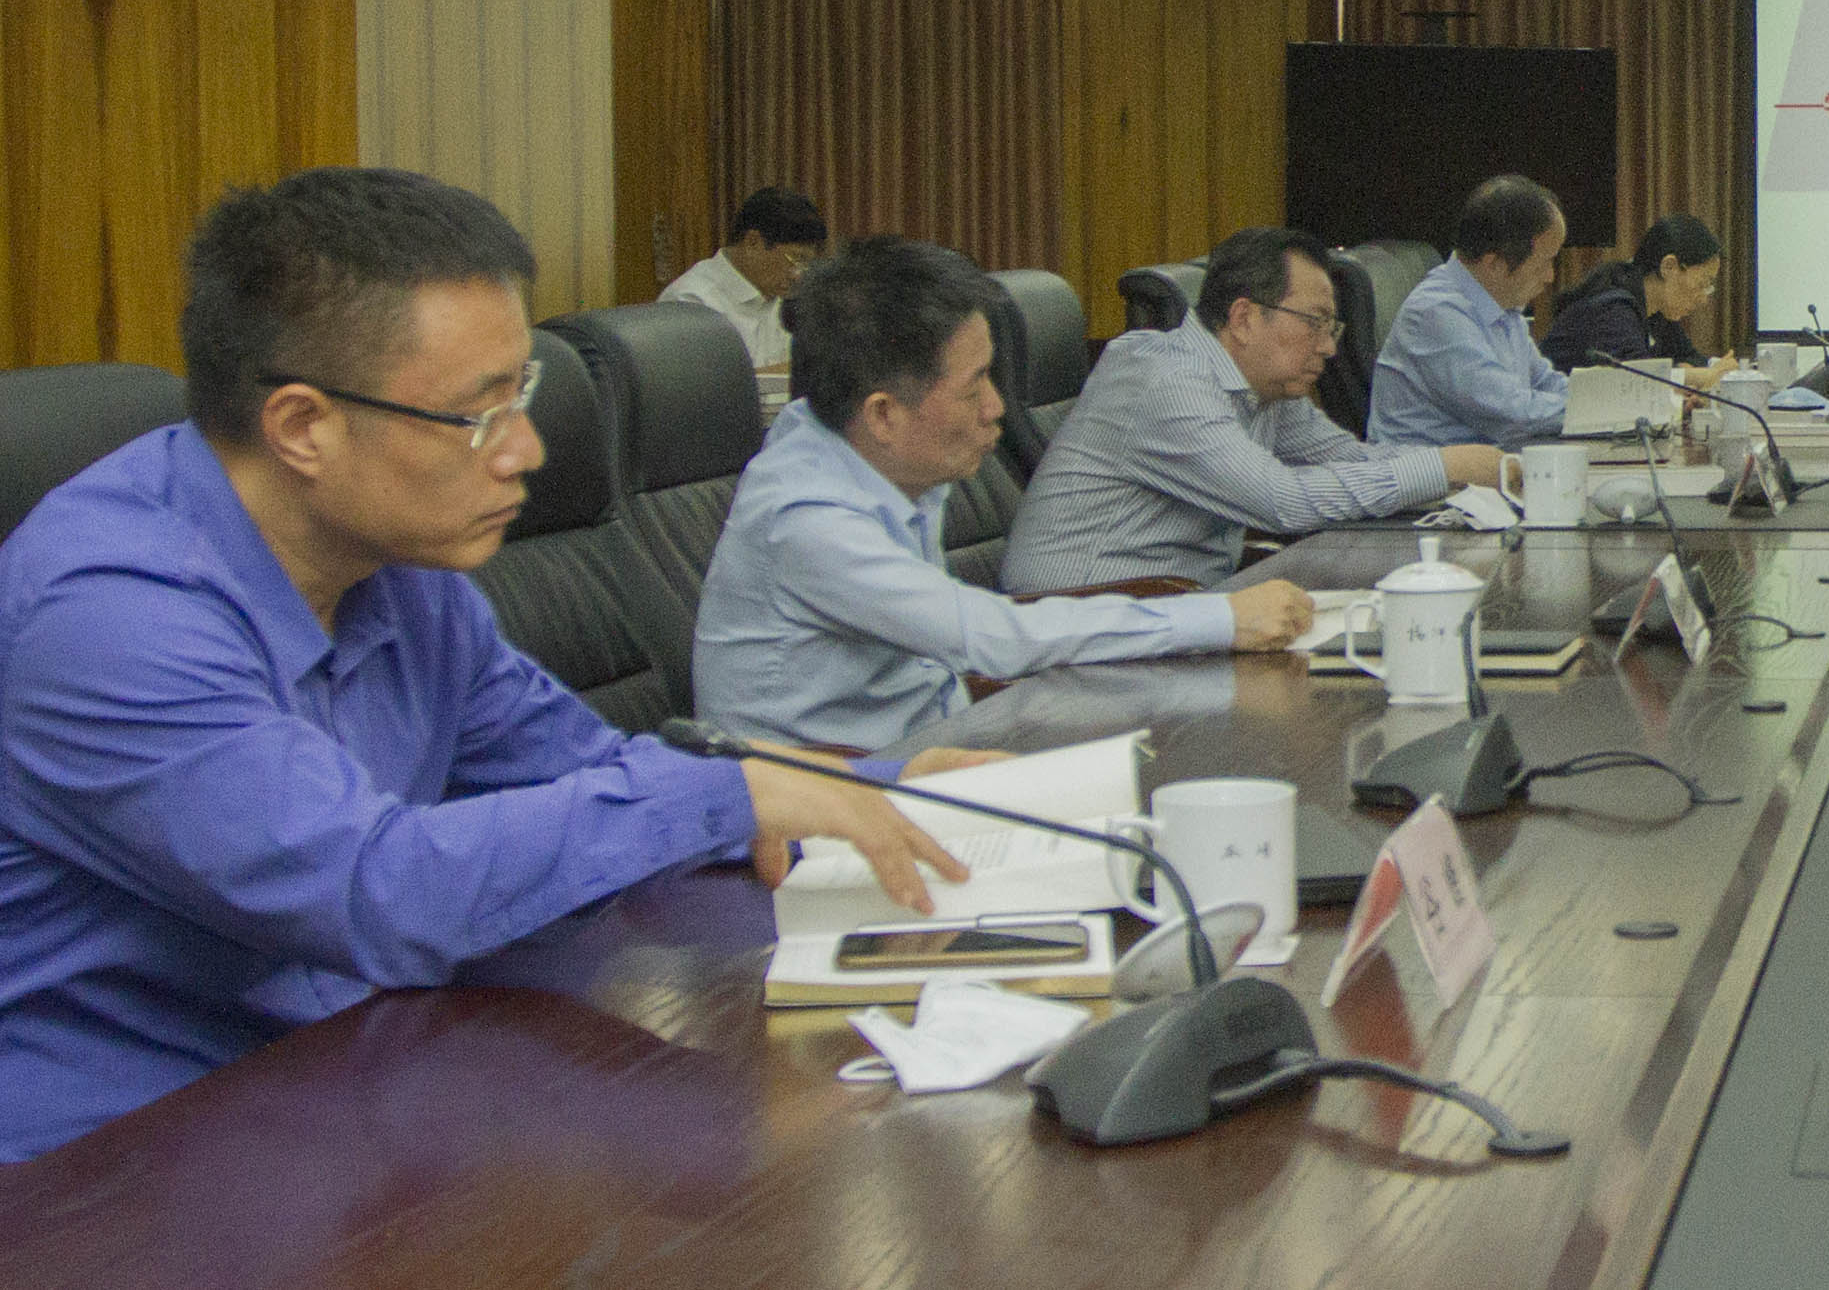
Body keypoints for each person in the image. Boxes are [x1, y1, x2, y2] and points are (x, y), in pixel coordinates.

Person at [0, 169, 970, 1160]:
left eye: (524, 393)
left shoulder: (396, 568)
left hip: (346, 1085)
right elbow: (375, 887)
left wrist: (876, 787)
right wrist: (730, 793)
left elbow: (583, 769)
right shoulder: (109, 616)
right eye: (479, 414)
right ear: (302, 426)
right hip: (106, 1170)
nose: (526, 450)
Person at [693, 236, 1314, 750]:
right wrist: (1220, 617)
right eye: (974, 387)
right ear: (884, 413)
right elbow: (985, 638)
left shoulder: (872, 446)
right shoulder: (805, 518)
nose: (996, 407)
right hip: (831, 800)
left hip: (940, 740)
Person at [1001, 227, 1510, 592]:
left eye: (1332, 328)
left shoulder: (1265, 388)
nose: (1329, 347)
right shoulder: (1164, 380)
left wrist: (1469, 470)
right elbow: (1280, 501)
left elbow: (1349, 458)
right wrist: (1441, 467)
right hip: (1086, 620)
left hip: (1175, 606)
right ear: (1244, 318)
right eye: (1314, 323)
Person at [1368, 175, 1575, 447]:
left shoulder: (1503, 306)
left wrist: (1603, 404)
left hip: (1487, 461)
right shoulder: (1437, 312)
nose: (1550, 277)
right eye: (1543, 264)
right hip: (1432, 471)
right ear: (1494, 263)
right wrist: (1592, 414)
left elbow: (1544, 382)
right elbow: (1511, 413)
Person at [658, 186, 828, 379]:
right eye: (795, 260)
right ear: (753, 243)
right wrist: (802, 372)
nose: (798, 275)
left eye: (806, 264)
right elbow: (703, 387)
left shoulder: (785, 300)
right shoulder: (691, 302)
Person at [1542, 214, 1730, 387]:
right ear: (1669, 267)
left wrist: (1702, 370)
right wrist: (1694, 377)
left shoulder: (1658, 311)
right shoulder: (1614, 308)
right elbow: (1636, 382)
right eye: (1702, 283)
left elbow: (1689, 357)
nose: (1703, 299)